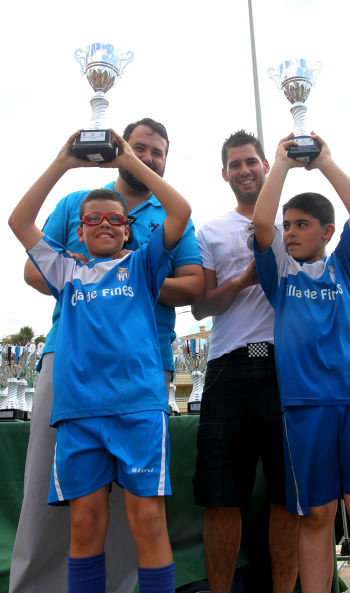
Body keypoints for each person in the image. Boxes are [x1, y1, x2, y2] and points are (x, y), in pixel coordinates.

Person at [9, 118, 204, 593]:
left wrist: (129, 161)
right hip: (78, 414)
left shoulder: (143, 264)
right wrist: (64, 162)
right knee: (84, 529)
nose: (103, 225)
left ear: (128, 229)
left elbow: (179, 208)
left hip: (138, 410)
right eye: (93, 219)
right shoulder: (66, 269)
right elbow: (18, 221)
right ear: (79, 228)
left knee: (148, 524)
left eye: (115, 219)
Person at [252, 132, 350, 593]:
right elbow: (261, 227)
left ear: (326, 233)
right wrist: (281, 164)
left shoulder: (345, 268)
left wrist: (326, 162)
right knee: (317, 514)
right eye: (287, 224)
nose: (289, 232)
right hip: (306, 407)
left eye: (300, 225)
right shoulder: (280, 273)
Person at [191, 130, 299, 593]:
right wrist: (243, 280)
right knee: (222, 497)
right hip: (228, 369)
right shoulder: (210, 231)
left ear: (265, 166)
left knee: (287, 496)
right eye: (235, 164)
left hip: (285, 367)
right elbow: (200, 306)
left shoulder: (292, 223)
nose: (244, 170)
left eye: (251, 161)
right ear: (224, 174)